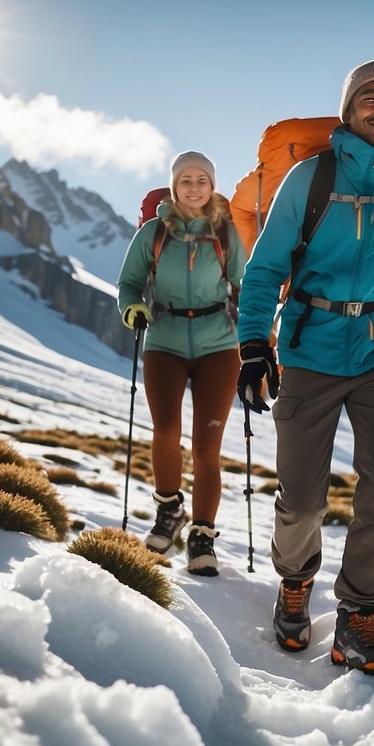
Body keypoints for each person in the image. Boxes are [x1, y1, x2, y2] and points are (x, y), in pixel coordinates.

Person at [236, 59, 374, 676]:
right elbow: (264, 270)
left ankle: (359, 618)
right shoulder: (311, 178)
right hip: (308, 347)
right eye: (371, 97)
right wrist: (255, 345)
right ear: (348, 108)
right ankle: (295, 583)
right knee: (303, 501)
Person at [117, 151, 246, 577]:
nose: (194, 188)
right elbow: (130, 283)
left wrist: (260, 330)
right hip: (165, 338)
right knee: (166, 430)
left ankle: (202, 535)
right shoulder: (153, 233)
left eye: (202, 180)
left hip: (218, 343)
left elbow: (245, 285)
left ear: (212, 186)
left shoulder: (225, 233)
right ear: (174, 186)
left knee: (207, 447)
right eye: (186, 180)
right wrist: (132, 306)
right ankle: (169, 509)